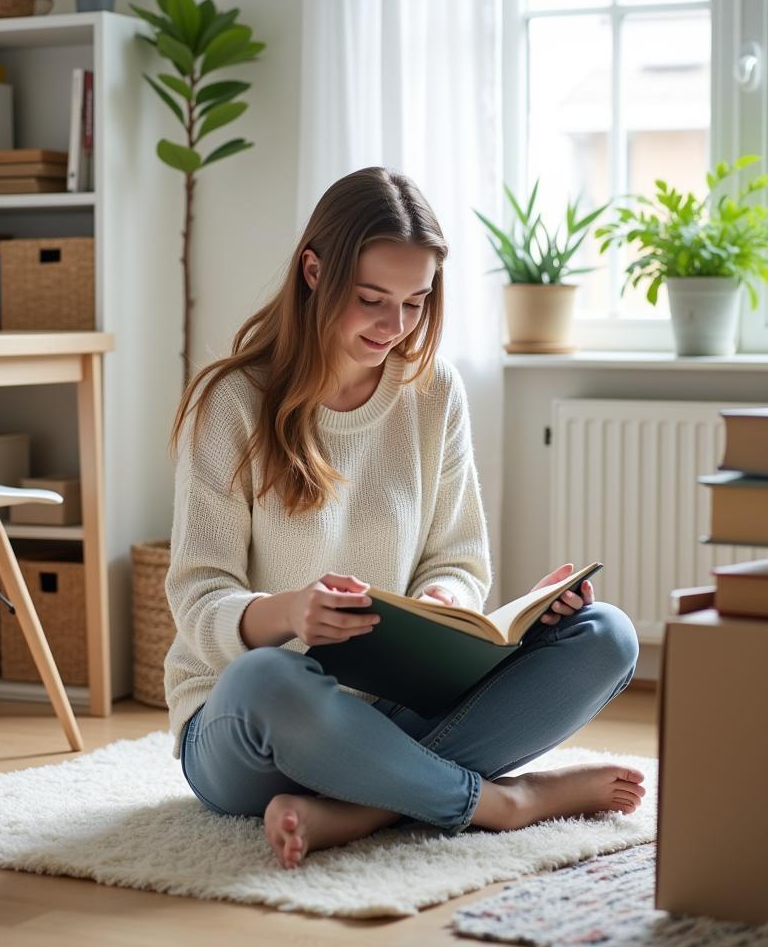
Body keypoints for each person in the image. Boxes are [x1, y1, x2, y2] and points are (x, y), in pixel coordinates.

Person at [165, 166, 643, 870]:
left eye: (416, 303)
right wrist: (292, 614)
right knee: (271, 677)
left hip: (395, 710)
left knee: (606, 635)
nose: (395, 327)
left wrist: (447, 607)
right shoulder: (232, 402)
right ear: (313, 272)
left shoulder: (432, 393)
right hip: (252, 730)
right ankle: (505, 803)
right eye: (371, 300)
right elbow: (198, 598)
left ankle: (358, 809)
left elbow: (458, 556)